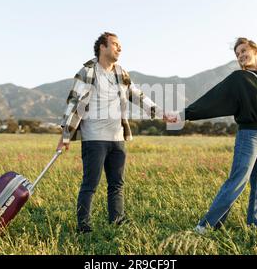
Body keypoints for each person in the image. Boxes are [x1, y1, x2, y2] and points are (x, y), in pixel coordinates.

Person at [57, 32, 174, 233]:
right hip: (94, 138)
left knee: (117, 184)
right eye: (115, 44)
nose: (119, 48)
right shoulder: (88, 71)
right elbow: (74, 102)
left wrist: (160, 113)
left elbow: (138, 96)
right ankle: (83, 226)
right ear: (102, 47)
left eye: (120, 45)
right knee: (90, 184)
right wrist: (65, 135)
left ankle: (117, 221)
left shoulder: (121, 72)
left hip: (117, 138)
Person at [178, 37, 257, 232]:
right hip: (249, 135)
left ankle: (256, 226)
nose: (241, 56)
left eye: (244, 51)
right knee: (237, 181)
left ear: (256, 52)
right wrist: (184, 114)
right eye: (238, 54)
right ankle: (206, 226)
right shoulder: (239, 78)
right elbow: (212, 99)